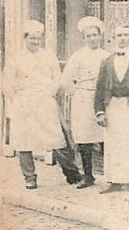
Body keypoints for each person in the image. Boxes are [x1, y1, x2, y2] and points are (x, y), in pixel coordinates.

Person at [3, 20, 82, 189]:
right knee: (24, 141)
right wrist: (16, 100)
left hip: (45, 101)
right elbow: (7, 82)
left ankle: (72, 174)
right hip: (24, 103)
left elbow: (58, 77)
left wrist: (51, 92)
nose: (35, 42)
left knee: (56, 139)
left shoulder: (48, 56)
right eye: (32, 38)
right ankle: (29, 177)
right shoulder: (15, 57)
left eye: (38, 39)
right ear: (25, 38)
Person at [94, 24, 129, 193]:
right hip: (113, 105)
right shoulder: (107, 61)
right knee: (113, 143)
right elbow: (100, 87)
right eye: (119, 35)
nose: (122, 38)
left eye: (125, 35)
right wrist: (100, 111)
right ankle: (114, 180)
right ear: (114, 38)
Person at [62, 16, 109, 189]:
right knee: (84, 137)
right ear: (84, 38)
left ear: (100, 36)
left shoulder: (106, 56)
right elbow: (66, 78)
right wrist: (76, 93)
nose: (92, 39)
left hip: (101, 99)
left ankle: (111, 175)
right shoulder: (77, 56)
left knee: (104, 136)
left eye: (95, 35)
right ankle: (88, 175)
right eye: (88, 36)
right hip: (82, 98)